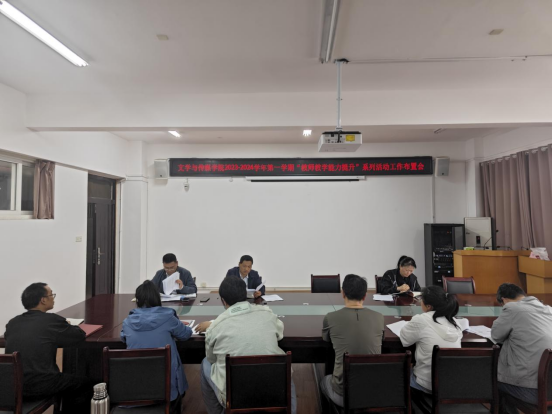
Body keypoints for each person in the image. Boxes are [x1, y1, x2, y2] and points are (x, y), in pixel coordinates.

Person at [199, 276, 296, 414]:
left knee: (205, 363)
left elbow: (211, 358)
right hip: (273, 389)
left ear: (223, 300)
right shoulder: (267, 313)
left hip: (235, 396)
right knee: (284, 369)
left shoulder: (215, 326)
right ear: (245, 295)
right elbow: (279, 334)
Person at [4, 283, 91, 412]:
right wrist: (67, 325)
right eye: (51, 295)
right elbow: (79, 335)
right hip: (42, 383)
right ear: (43, 300)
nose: (53, 298)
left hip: (13, 385)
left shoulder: (13, 322)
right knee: (87, 384)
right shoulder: (52, 320)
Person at [120, 280, 193, 414]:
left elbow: (123, 337)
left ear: (137, 300)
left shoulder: (127, 322)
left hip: (135, 387)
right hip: (167, 388)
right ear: (157, 298)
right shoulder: (168, 317)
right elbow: (185, 334)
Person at [320, 274, 384, 407]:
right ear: (365, 296)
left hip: (343, 395)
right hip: (374, 392)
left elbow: (326, 339)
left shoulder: (330, 317)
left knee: (324, 380)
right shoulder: (379, 317)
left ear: (343, 293)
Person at [491, 283, 552, 411]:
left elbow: (496, 335)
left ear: (504, 300)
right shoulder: (548, 310)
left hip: (533, 391)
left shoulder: (512, 308)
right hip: (549, 388)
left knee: (493, 383)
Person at [399, 285, 463, 393]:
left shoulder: (421, 320)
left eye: (421, 300)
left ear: (428, 306)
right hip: (451, 384)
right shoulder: (455, 323)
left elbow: (405, 339)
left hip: (426, 384)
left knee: (398, 371)